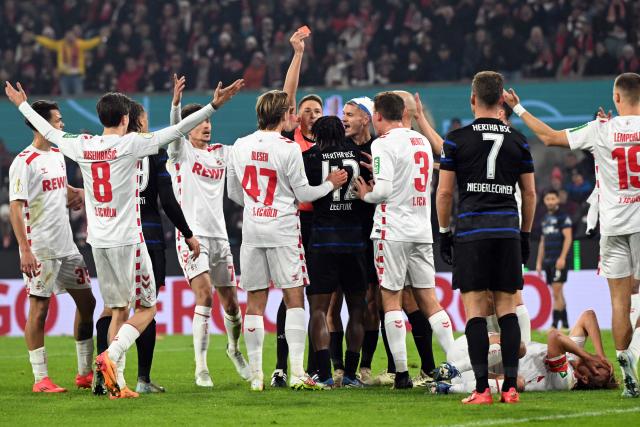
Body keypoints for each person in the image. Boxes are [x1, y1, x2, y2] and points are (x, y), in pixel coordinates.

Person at [5, 78, 243, 399]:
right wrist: (214, 105)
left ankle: (117, 382)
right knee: (147, 306)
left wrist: (21, 104)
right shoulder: (130, 145)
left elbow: (49, 132)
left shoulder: (83, 144)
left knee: (118, 308)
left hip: (98, 242)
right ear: (125, 119)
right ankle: (111, 357)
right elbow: (174, 132)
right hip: (129, 241)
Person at [503, 72, 640, 398]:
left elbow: (548, 136)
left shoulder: (600, 130)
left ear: (616, 98)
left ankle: (627, 374)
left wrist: (519, 108)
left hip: (613, 227)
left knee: (619, 303)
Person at [226, 89, 347, 391]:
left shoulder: (239, 145)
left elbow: (232, 192)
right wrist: (329, 183)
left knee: (255, 302)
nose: (294, 117)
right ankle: (296, 372)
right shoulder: (288, 147)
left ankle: (256, 376)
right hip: (282, 228)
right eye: (291, 112)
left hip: (252, 228)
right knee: (294, 297)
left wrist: (256, 206)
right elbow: (304, 194)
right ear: (282, 115)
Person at [436, 71, 537, 404]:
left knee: (476, 310)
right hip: (507, 229)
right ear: (502, 100)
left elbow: (445, 193)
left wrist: (444, 232)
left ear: (472, 99)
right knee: (507, 308)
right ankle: (509, 387)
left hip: (473, 232)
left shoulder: (456, 139)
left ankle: (482, 390)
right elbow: (531, 193)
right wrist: (524, 236)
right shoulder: (518, 140)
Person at [93, 101, 200, 394]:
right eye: (145, 118)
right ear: (135, 121)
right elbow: (167, 200)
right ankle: (140, 378)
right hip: (146, 238)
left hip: (109, 237)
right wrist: (188, 233)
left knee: (112, 308)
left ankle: (107, 378)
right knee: (145, 306)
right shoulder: (153, 152)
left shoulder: (102, 152)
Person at [354, 92, 447, 390]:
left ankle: (403, 374)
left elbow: (382, 192)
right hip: (421, 229)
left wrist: (364, 193)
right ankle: (452, 365)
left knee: (390, 298)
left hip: (391, 230)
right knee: (429, 300)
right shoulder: (420, 141)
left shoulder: (382, 143)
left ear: (378, 116)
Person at [8, 100, 95, 393]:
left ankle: (84, 373)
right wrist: (24, 248)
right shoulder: (24, 161)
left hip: (67, 246)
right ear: (41, 124)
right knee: (40, 307)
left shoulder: (57, 155)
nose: (61, 125)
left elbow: (60, 189)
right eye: (57, 120)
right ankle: (40, 379)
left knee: (88, 303)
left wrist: (76, 193)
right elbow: (16, 208)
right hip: (40, 247)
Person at [169, 75, 250, 386]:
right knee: (204, 295)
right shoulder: (179, 153)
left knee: (230, 302)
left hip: (220, 237)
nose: (206, 126)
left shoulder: (221, 153)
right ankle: (201, 367)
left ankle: (233, 349)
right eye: (200, 122)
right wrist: (176, 104)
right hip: (192, 237)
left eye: (208, 121)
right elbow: (175, 128)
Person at [303, 116, 369, 388]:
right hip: (355, 241)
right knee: (357, 309)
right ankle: (352, 375)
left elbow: (304, 195)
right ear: (342, 131)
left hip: (322, 241)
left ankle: (326, 375)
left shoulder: (311, 157)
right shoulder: (359, 154)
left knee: (318, 310)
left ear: (316, 134)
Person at [271, 30, 321, 387]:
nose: (312, 115)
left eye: (318, 110)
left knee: (321, 298)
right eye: (306, 111)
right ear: (295, 117)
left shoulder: (335, 140)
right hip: (297, 221)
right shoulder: (291, 139)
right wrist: (298, 55)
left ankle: (323, 367)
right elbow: (286, 95)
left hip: (326, 225)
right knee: (293, 294)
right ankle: (281, 365)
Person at [431, 310, 615, 394]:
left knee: (517, 379)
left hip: (473, 376)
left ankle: (449, 388)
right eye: (602, 363)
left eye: (598, 367)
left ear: (584, 378)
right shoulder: (576, 356)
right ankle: (452, 369)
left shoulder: (566, 380)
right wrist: (601, 355)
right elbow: (588, 316)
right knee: (518, 347)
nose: (596, 361)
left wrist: (588, 357)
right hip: (470, 351)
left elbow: (554, 337)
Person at [536, 190, 573, 329]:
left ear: (558, 200)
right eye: (548, 199)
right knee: (558, 293)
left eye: (553, 198)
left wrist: (562, 258)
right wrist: (539, 262)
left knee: (556, 292)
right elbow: (542, 241)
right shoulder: (545, 218)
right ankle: (565, 324)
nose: (550, 201)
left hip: (559, 261)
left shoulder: (563, 217)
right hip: (548, 261)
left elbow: (568, 238)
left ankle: (554, 325)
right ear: (544, 201)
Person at [35, 29, 106, 96]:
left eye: (71, 35)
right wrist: (36, 38)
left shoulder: (79, 44)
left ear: (74, 36)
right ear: (65, 36)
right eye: (67, 35)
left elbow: (90, 43)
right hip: (64, 76)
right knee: (65, 98)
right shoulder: (60, 44)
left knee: (79, 97)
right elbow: (48, 43)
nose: (69, 37)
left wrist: (100, 38)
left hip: (77, 76)